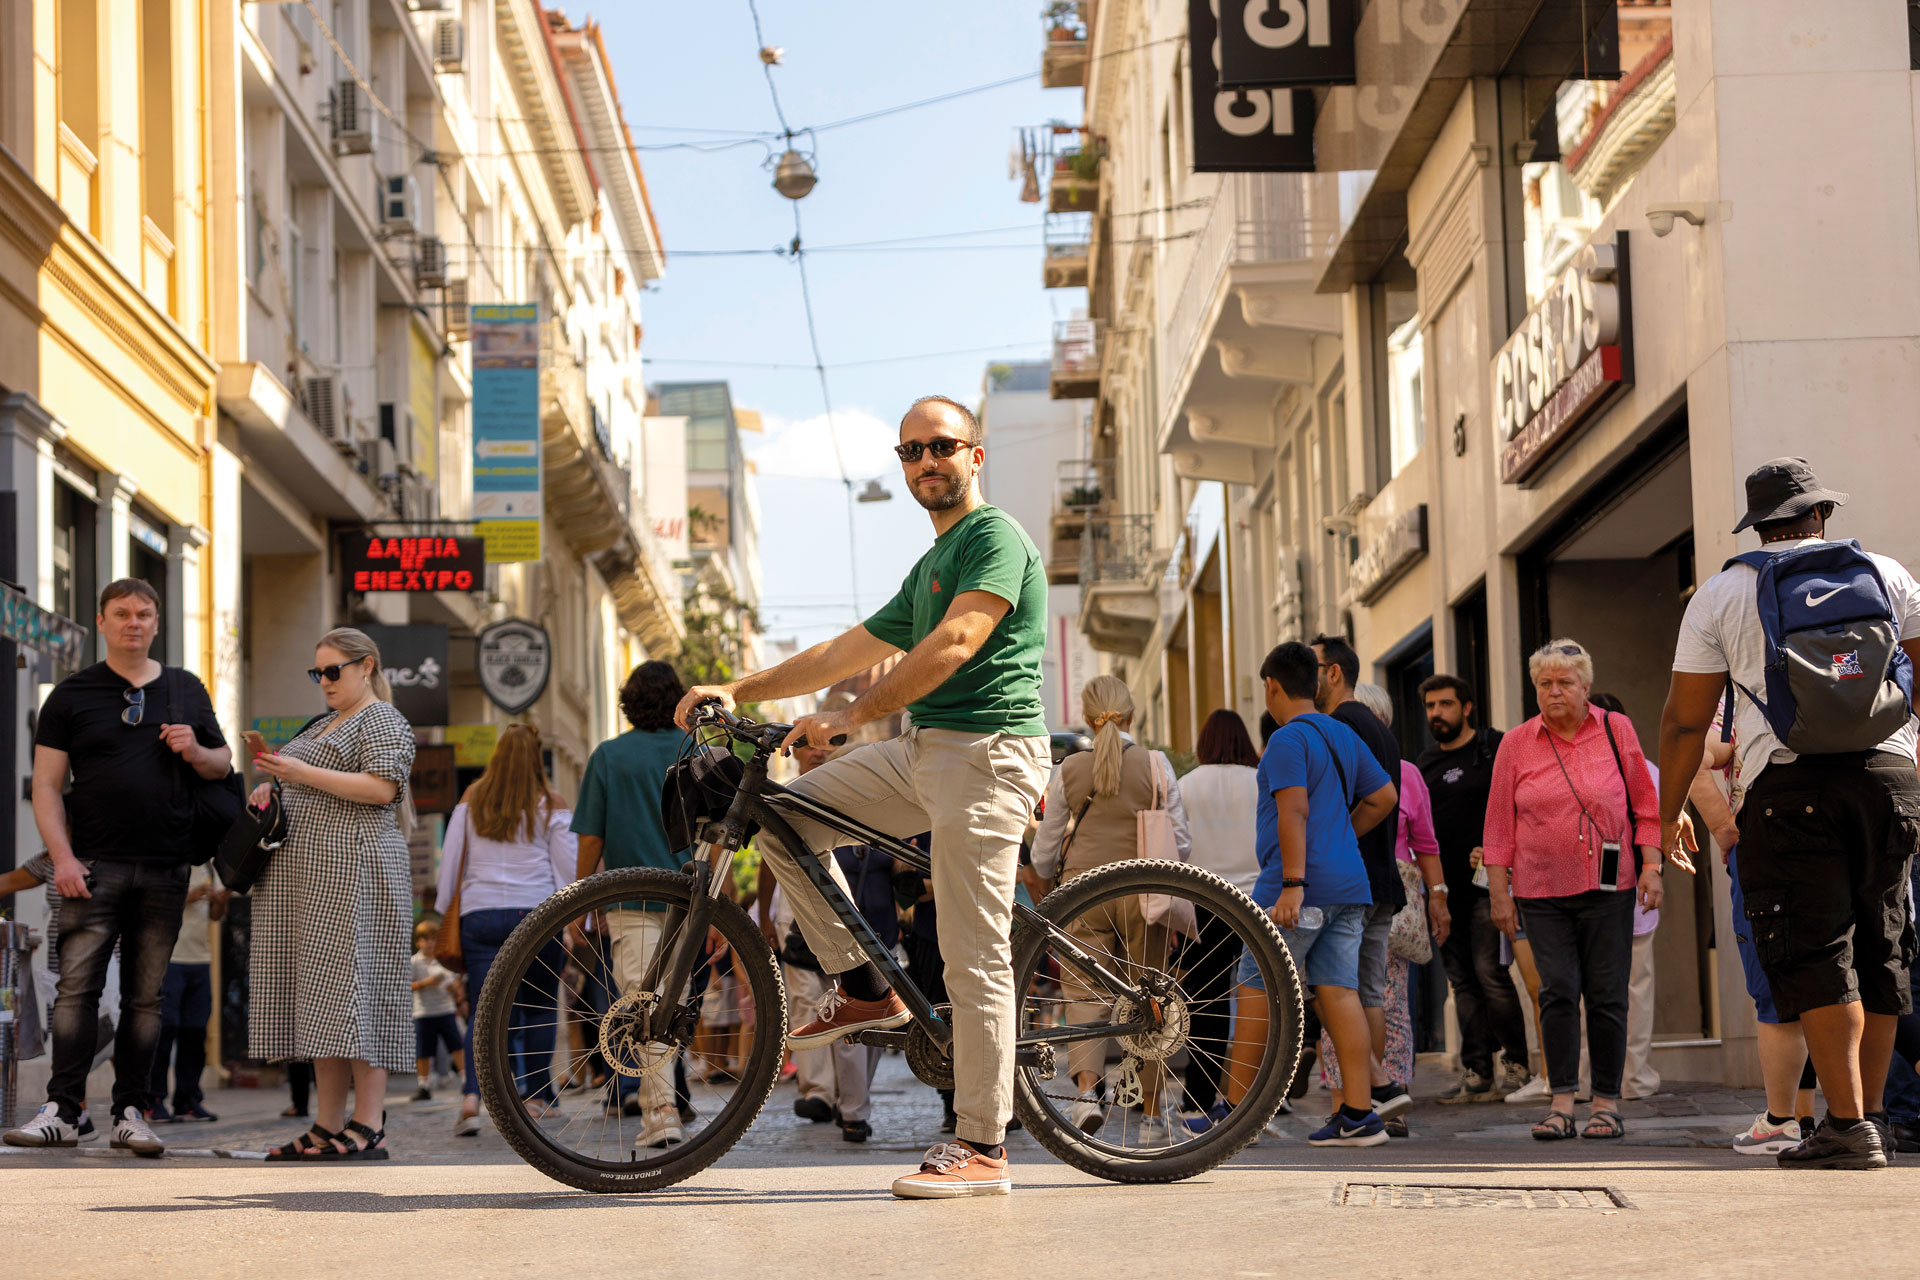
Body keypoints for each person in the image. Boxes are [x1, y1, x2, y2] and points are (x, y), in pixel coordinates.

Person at [674, 394, 1051, 1199]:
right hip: (924, 753)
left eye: (941, 447)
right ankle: (867, 988)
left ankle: (982, 1145)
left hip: (988, 755)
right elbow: (849, 646)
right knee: (785, 815)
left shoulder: (994, 537)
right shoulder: (928, 566)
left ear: (975, 455)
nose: (925, 463)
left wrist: (851, 716)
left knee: (971, 951)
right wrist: (738, 684)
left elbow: (955, 642)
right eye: (910, 452)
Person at [1659, 458, 1920, 1170]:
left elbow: (1684, 725)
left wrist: (1668, 812)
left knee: (1817, 952)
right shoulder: (1887, 574)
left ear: (1759, 524)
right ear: (1819, 517)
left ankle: (1844, 1125)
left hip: (1791, 786)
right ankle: (1866, 1117)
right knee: (1880, 950)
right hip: (1890, 779)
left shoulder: (1721, 594)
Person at [4, 578, 231, 1156]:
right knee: (76, 993)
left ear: (157, 623)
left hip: (166, 868)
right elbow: (48, 788)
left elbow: (222, 765)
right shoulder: (72, 696)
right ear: (101, 622)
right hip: (92, 867)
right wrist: (61, 859)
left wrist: (196, 750)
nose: (134, 622)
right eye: (122, 613)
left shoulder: (185, 689)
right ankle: (62, 1110)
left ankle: (132, 1111)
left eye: (145, 614)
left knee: (145, 998)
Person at [1482, 639, 1665, 1143]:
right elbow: (1498, 823)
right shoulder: (1517, 743)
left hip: (1611, 887)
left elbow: (1645, 807)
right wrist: (1500, 891)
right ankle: (1562, 1100)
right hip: (1540, 890)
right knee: (1557, 990)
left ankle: (1606, 1103)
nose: (1554, 691)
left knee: (1607, 995)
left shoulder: (1615, 728)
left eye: (1565, 682)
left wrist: (1652, 866)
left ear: (1586, 686)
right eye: (1545, 683)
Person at [250, 626, 417, 1160]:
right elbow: (305, 783)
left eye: (332, 670)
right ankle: (326, 1123)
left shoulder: (383, 719)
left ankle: (368, 1124)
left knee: (361, 993)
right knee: (322, 1001)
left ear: (365, 666)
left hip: (358, 876)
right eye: (316, 672)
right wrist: (273, 783)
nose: (323, 680)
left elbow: (382, 788)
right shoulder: (325, 723)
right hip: (313, 882)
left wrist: (298, 769)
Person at [1226, 642, 1397, 1148]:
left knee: (1254, 986)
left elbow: (1293, 811)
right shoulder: (1341, 733)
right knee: (1339, 991)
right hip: (1350, 883)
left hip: (1296, 886)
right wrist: (1343, 829)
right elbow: (1385, 796)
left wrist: (1294, 883)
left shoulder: (1285, 740)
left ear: (1272, 686)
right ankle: (1360, 1116)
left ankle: (1233, 1116)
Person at [1026, 675, 1191, 1143]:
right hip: (1145, 894)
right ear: (1132, 715)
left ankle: (1084, 1097)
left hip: (1085, 894)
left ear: (1086, 716)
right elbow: (1181, 841)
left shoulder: (1070, 770)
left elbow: (1043, 852)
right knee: (1152, 998)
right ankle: (1154, 1117)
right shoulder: (1157, 765)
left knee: (1083, 995)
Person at [1308, 684, 1447, 1137]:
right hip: (1371, 890)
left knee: (1353, 996)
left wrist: (1439, 894)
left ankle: (1379, 1096)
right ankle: (1358, 1101)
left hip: (1372, 893)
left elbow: (1425, 842)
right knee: (1361, 995)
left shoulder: (1397, 773)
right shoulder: (1381, 769)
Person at [573, 661, 696, 1149]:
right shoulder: (694, 750)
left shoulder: (608, 756)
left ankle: (661, 1110)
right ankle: (665, 1104)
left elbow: (591, 839)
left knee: (643, 1005)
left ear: (627, 701)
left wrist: (580, 900)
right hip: (691, 899)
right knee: (675, 1002)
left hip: (629, 900)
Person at [434, 723, 575, 1134]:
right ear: (537, 759)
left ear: (496, 756)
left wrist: (445, 910)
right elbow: (566, 869)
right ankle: (535, 1098)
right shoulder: (551, 803)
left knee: (485, 1012)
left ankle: (471, 1097)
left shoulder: (472, 798)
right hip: (535, 916)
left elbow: (452, 860)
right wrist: (577, 919)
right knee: (538, 1008)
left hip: (480, 915)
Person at [1693, 703, 1820, 1153]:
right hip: (1838, 845)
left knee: (1777, 990)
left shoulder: (1739, 703)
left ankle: (1783, 1120)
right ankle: (1830, 1117)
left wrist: (1724, 829)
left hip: (1765, 853)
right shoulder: (1835, 679)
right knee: (1837, 982)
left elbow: (1692, 755)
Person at [1416, 674, 1534, 1103]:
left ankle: (1517, 1065)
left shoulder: (1495, 747)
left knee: (1491, 975)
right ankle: (1477, 1069)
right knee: (1461, 982)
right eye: (1430, 706)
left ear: (1466, 707)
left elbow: (1523, 803)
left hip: (1490, 885)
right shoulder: (1424, 764)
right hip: (1445, 891)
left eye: (1445, 704)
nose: (1436, 713)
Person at [1310, 637, 1411, 1118]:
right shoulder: (1379, 726)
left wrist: (1338, 838)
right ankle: (1367, 1100)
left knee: (1333, 987)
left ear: (1333, 674)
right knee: (1366, 990)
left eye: (1311, 667)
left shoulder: (1338, 725)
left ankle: (1373, 1087)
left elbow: (1353, 799)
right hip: (1380, 877)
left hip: (1349, 880)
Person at [1174, 709, 1263, 1133]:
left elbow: (1178, 845)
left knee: (1205, 1004)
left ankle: (1198, 1100)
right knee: (1259, 999)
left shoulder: (1186, 785)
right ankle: (1261, 1095)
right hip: (1256, 900)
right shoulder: (1261, 780)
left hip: (1204, 900)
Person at [1591, 692, 1664, 1100]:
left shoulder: (1581, 768)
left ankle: (1590, 1078)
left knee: (1593, 988)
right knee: (1634, 988)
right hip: (1631, 892)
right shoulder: (1647, 770)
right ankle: (1632, 1078)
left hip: (1613, 893)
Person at [148, 864, 227, 1123]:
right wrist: (187, 897)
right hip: (169, 957)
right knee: (166, 1028)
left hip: (200, 960)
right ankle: (153, 1099)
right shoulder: (173, 861)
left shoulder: (210, 867)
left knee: (196, 1031)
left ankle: (187, 1099)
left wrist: (220, 900)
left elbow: (215, 916)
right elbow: (151, 902)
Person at [409, 918, 464, 1102]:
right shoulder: (414, 962)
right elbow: (406, 986)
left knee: (456, 1046)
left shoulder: (444, 960)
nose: (430, 943)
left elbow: (455, 983)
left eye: (434, 938)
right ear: (418, 942)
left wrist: (453, 987)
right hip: (424, 1012)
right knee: (423, 1051)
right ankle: (423, 1085)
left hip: (445, 1009)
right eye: (426, 939)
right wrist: (427, 983)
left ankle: (465, 1080)